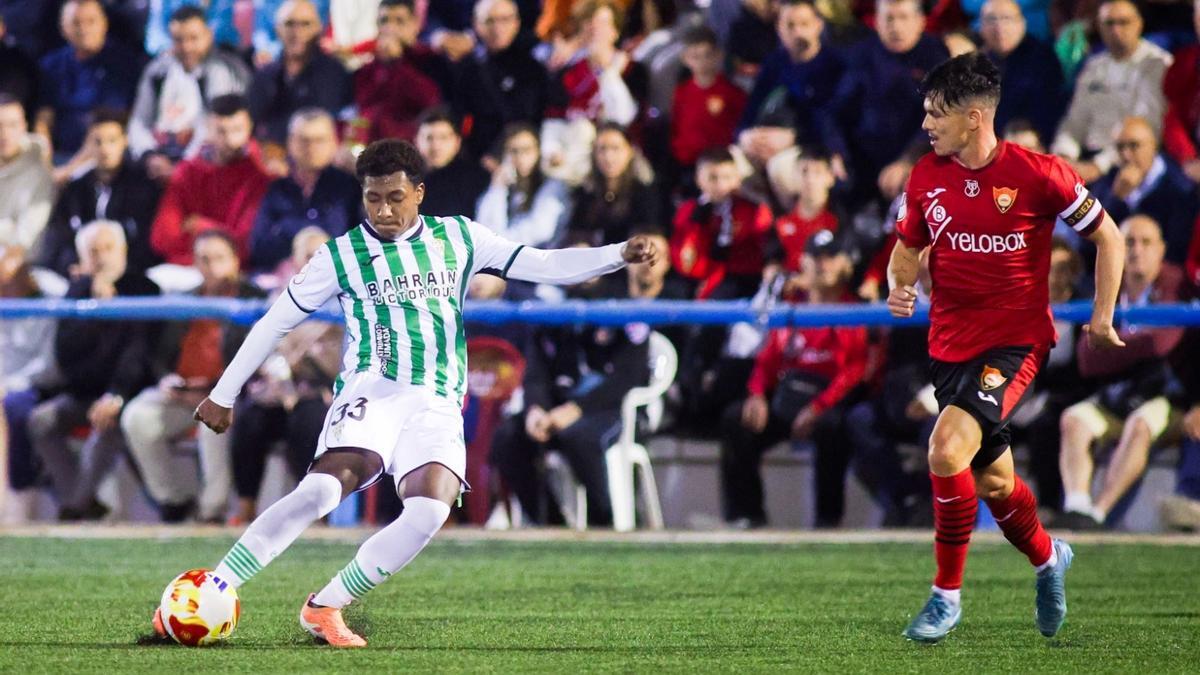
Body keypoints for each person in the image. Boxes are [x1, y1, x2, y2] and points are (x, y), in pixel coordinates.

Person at [153, 138, 659, 646]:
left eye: (395, 197)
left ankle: (325, 606)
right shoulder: (341, 254)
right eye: (373, 198)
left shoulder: (459, 237)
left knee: (429, 509)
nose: (384, 209)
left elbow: (544, 264)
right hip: (373, 388)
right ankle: (215, 585)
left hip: (437, 401)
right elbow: (273, 323)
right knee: (323, 490)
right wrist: (224, 392)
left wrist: (616, 255)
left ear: (419, 193)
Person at [886, 53, 1125, 642]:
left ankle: (945, 598)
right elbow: (908, 247)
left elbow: (1109, 237)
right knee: (993, 484)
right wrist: (901, 284)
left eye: (935, 114)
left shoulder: (1041, 173)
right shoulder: (924, 177)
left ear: (973, 117)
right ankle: (1049, 559)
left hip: (1015, 343)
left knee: (945, 451)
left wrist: (1100, 315)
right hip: (949, 345)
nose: (925, 125)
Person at [720, 229, 869, 528]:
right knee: (737, 420)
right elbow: (768, 359)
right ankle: (748, 516)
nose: (823, 265)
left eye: (831, 258)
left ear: (845, 265)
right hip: (789, 394)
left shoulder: (854, 310)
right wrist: (757, 394)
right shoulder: (792, 307)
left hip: (829, 400)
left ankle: (827, 521)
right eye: (816, 258)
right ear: (803, 263)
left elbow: (854, 370)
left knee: (832, 427)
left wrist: (817, 408)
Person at [121, 230, 266, 523]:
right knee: (136, 417)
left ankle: (212, 510)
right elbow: (160, 356)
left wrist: (215, 388)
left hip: (228, 395)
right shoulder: (185, 301)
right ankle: (174, 500)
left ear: (235, 261)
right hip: (181, 393)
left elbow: (257, 359)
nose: (211, 265)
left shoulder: (255, 300)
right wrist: (167, 379)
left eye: (219, 258)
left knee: (213, 424)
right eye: (203, 259)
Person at [1056, 215, 1185, 530]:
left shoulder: (1174, 282)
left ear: (1161, 249)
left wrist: (1111, 344)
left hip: (1165, 396)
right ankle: (1077, 506)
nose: (1136, 251)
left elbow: (1163, 343)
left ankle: (1099, 513)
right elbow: (1088, 359)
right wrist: (1135, 344)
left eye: (1146, 242)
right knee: (1073, 419)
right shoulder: (1108, 284)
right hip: (1118, 393)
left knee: (1140, 424)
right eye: (1128, 242)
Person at [31, 220, 160, 520]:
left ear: (123, 251)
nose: (102, 257)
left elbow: (139, 354)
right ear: (83, 258)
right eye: (93, 251)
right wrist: (94, 310)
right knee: (41, 420)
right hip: (82, 393)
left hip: (127, 393)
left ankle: (74, 509)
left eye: (108, 248)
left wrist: (116, 395)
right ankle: (81, 501)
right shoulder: (75, 292)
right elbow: (66, 356)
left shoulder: (144, 289)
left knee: (107, 424)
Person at [1049, 0, 1172, 185]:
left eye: (1123, 22)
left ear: (1139, 23)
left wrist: (1098, 166)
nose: (1116, 30)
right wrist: (1064, 155)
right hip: (1085, 156)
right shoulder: (1093, 66)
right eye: (1109, 23)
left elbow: (1148, 126)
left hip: (1127, 160)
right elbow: (1075, 120)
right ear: (1099, 26)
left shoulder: (1158, 63)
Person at [128, 5, 251, 181]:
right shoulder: (158, 71)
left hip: (201, 164)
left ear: (208, 35)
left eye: (193, 38)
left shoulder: (220, 71)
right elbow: (139, 121)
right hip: (158, 157)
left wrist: (184, 165)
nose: (186, 47)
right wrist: (150, 155)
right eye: (178, 39)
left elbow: (217, 127)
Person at [150, 94, 271, 268]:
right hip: (186, 270)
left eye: (237, 130)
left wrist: (201, 226)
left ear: (249, 128)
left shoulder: (262, 176)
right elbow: (162, 238)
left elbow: (246, 246)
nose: (229, 139)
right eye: (221, 131)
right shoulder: (188, 172)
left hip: (237, 272)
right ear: (208, 129)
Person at [40, 108, 163, 278]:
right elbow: (61, 237)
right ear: (88, 145)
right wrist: (75, 266)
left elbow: (147, 240)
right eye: (97, 142)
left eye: (112, 141)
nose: (104, 149)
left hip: (132, 274)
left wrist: (116, 269)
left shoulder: (143, 185)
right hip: (81, 273)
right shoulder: (75, 189)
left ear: (124, 141)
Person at [35, 0, 143, 172]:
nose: (83, 29)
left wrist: (70, 170)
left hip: (106, 155)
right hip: (60, 155)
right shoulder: (51, 65)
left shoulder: (125, 63)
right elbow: (44, 117)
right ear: (63, 28)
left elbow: (120, 120)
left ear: (104, 24)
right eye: (76, 23)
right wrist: (44, 160)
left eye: (91, 21)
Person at [249, 108, 361, 275]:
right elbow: (258, 246)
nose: (311, 147)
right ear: (290, 142)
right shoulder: (277, 188)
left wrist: (286, 230)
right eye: (304, 140)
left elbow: (360, 244)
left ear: (334, 142)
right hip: (281, 281)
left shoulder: (350, 188)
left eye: (319, 140)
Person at [451, 0, 555, 161]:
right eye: (489, 21)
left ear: (516, 22)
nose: (497, 28)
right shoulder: (465, 69)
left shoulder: (532, 69)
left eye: (505, 19)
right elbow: (456, 116)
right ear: (476, 24)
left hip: (522, 157)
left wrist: (498, 154)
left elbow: (531, 119)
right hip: (475, 158)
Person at [1089, 117, 1199, 267]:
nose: (1126, 155)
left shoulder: (1180, 187)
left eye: (1134, 146)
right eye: (1120, 147)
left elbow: (1178, 247)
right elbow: (1089, 245)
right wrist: (1116, 200)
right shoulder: (1106, 184)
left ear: (1154, 144)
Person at [247, 0, 353, 147]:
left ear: (319, 29)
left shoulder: (334, 73)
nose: (297, 32)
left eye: (306, 24)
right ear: (278, 29)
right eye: (290, 24)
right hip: (269, 158)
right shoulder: (263, 75)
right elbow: (252, 124)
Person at [352, 0, 446, 144]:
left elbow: (431, 103)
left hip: (413, 149)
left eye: (399, 21)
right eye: (384, 21)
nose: (390, 28)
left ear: (415, 25)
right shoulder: (366, 71)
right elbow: (362, 109)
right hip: (372, 149)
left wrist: (396, 62)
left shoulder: (431, 60)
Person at [976, 0, 1064, 145]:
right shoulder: (976, 64)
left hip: (1031, 139)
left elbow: (1049, 109)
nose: (999, 27)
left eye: (1007, 19)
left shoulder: (1043, 58)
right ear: (981, 27)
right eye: (991, 20)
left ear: (1022, 23)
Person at [475, 122, 571, 248]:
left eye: (527, 150)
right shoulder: (503, 188)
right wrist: (498, 188)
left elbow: (539, 232)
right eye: (514, 151)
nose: (520, 157)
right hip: (504, 259)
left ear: (538, 152)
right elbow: (483, 229)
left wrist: (498, 242)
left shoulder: (553, 186)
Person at [413, 106, 490, 219]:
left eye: (443, 138)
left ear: (457, 142)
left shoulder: (477, 179)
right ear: (416, 141)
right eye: (429, 138)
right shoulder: (407, 180)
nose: (436, 146)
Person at [0, 94, 53, 253]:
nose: (4, 133)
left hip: (19, 264)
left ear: (24, 126)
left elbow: (26, 235)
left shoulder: (39, 170)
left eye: (12, 125)